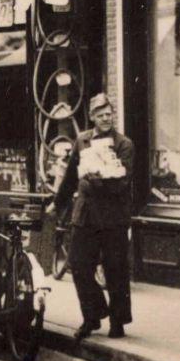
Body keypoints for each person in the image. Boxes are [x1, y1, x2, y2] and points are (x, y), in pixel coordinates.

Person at [53, 92, 135, 340]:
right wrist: (57, 204)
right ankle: (92, 316)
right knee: (78, 265)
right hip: (86, 215)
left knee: (115, 270)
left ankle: (117, 322)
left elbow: (123, 183)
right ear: (92, 117)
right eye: (100, 115)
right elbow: (69, 178)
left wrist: (97, 180)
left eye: (109, 114)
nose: (106, 119)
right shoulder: (82, 141)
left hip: (113, 217)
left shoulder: (124, 145)